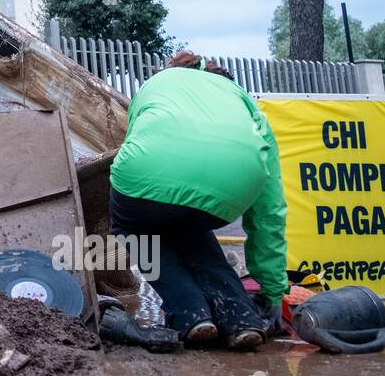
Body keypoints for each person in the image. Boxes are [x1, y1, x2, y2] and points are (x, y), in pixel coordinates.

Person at [108, 52, 288, 349]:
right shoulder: (242, 101)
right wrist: (272, 291)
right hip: (231, 185)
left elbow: (139, 136)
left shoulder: (158, 83)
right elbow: (269, 210)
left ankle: (189, 312)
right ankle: (242, 318)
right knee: (189, 230)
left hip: (149, 175)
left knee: (133, 229)